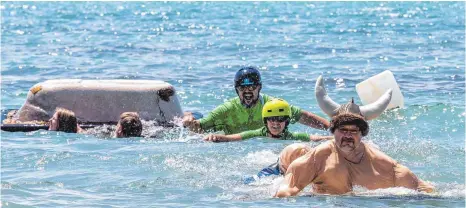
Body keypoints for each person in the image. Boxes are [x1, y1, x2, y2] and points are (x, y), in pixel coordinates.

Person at [275, 113, 434, 197]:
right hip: (292, 171)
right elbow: (284, 193)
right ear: (333, 133)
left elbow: (424, 191)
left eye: (353, 132)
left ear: (361, 135)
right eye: (343, 131)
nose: (348, 136)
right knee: (294, 150)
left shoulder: (384, 165)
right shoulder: (318, 157)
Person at [183, 66, 330, 135]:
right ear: (236, 90)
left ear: (259, 87)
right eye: (242, 88)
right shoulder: (226, 109)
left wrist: (334, 128)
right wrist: (189, 121)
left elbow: (304, 117)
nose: (247, 91)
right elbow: (199, 128)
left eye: (251, 87)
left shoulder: (273, 105)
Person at [204, 99, 333, 142]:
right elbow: (234, 138)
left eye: (280, 119)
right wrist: (215, 137)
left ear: (287, 122)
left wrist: (337, 138)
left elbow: (315, 138)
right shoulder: (258, 133)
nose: (275, 123)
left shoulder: (291, 136)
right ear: (265, 121)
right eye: (271, 119)